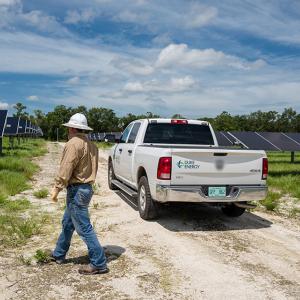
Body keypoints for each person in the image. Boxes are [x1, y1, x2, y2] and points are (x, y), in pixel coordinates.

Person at [50, 113, 108, 275]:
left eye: (69, 127)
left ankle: (99, 263)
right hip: (86, 188)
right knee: (67, 223)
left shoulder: (73, 143)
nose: (68, 130)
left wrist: (57, 187)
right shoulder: (91, 145)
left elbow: (66, 168)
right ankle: (59, 254)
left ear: (73, 128)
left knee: (84, 227)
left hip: (76, 190)